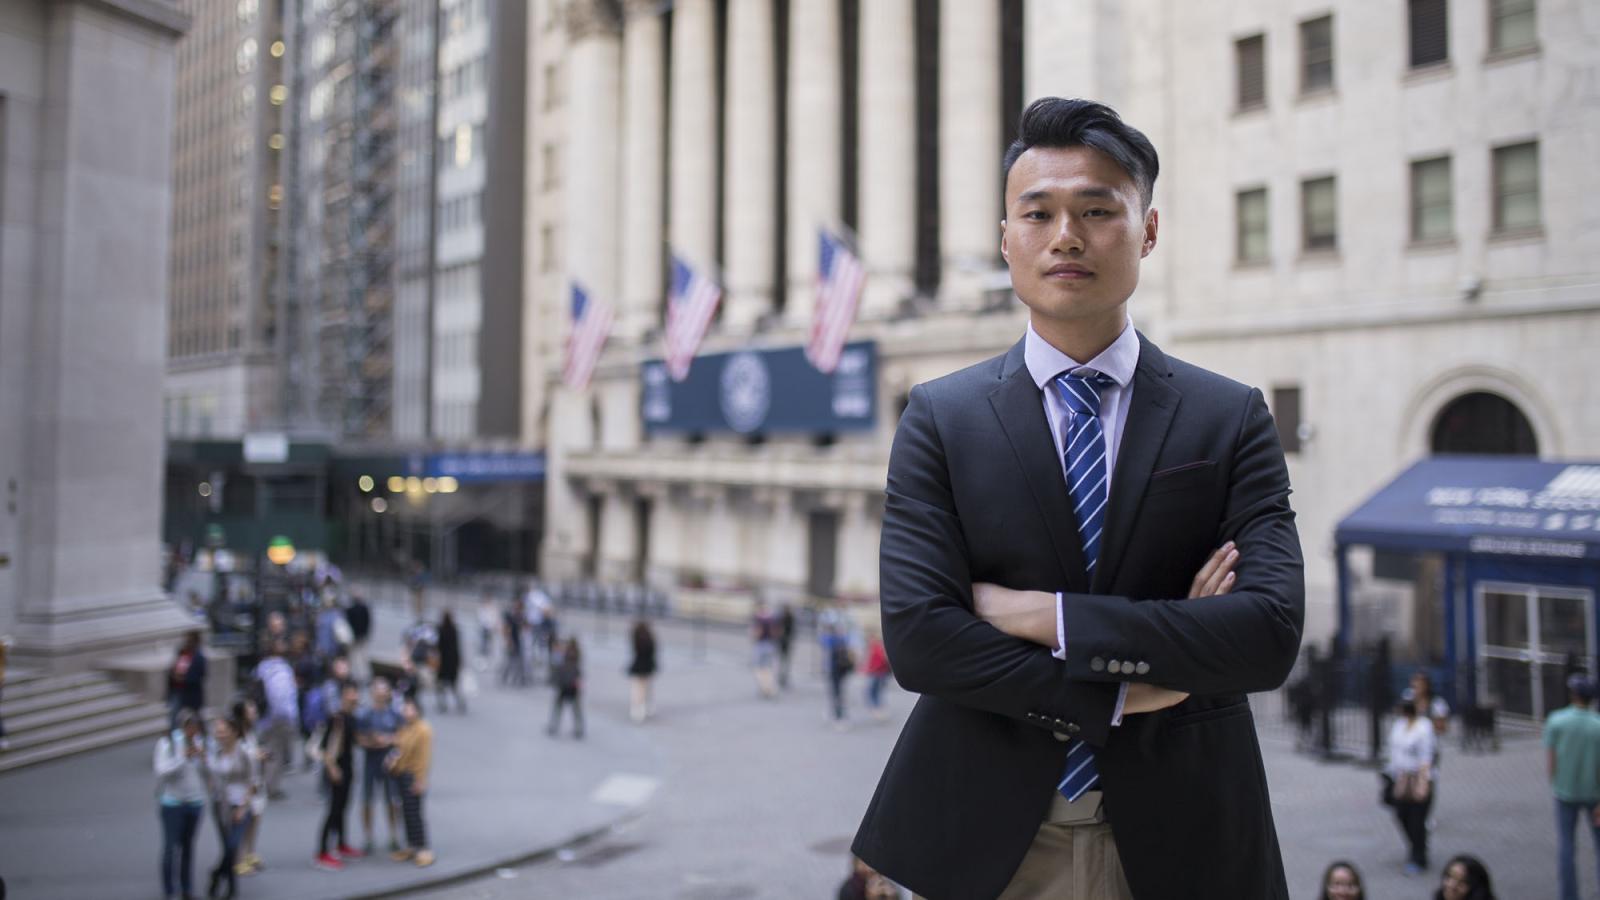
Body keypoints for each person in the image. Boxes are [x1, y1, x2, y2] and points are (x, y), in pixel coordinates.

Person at [852, 97, 1304, 900]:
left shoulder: (1228, 416)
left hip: (1187, 835)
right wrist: (1135, 685)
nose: (1067, 235)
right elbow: (923, 639)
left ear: (1148, 231)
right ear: (1006, 239)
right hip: (988, 840)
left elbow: (1266, 634)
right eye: (1039, 213)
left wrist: (1041, 618)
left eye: (1098, 210)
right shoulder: (941, 417)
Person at [1544, 673, 1600, 900]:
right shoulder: (1597, 725)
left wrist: (1555, 783)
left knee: (1566, 847)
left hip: (1565, 792)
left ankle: (1569, 895)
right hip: (1595, 795)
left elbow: (1551, 760)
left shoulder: (1556, 720)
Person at [156, 709, 209, 900]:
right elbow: (162, 771)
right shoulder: (168, 743)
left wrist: (204, 758)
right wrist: (182, 758)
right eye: (189, 726)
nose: (193, 731)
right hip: (173, 803)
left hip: (195, 802)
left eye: (196, 727)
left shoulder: (201, 742)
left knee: (188, 847)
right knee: (171, 847)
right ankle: (170, 890)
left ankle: (187, 889)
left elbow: (207, 773)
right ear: (182, 727)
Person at [312, 682, 364, 871]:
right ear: (343, 696)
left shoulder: (351, 717)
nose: (354, 696)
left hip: (348, 768)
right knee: (333, 810)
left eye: (355, 693)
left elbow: (357, 741)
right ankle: (322, 851)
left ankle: (341, 844)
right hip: (337, 770)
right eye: (350, 693)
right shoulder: (337, 718)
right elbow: (326, 748)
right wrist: (332, 769)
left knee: (343, 808)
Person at [206, 714, 256, 900]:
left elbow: (252, 782)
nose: (220, 735)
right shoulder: (216, 753)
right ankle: (231, 888)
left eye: (223, 731)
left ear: (234, 732)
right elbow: (212, 778)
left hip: (240, 804)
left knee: (233, 846)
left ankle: (217, 874)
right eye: (217, 732)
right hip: (221, 805)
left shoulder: (243, 752)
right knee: (227, 847)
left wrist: (243, 807)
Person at [1386, 699, 1436, 875]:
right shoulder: (1399, 725)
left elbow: (1426, 756)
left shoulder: (1423, 727)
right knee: (1401, 815)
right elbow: (1394, 751)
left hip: (1418, 779)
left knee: (1416, 819)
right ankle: (1417, 844)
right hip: (1400, 778)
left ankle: (1418, 855)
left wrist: (1423, 783)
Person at [356, 678, 405, 855]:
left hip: (389, 762)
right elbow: (359, 738)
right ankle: (368, 837)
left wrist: (387, 740)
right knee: (367, 800)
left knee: (392, 800)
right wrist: (373, 741)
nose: (381, 694)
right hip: (371, 761)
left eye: (384, 690)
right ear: (372, 693)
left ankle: (394, 836)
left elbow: (402, 736)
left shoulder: (394, 714)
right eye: (378, 690)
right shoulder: (365, 714)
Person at [386, 696, 435, 867]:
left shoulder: (423, 729)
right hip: (401, 774)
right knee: (406, 813)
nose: (406, 712)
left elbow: (424, 758)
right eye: (404, 709)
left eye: (409, 709)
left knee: (415, 815)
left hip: (413, 776)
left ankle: (423, 849)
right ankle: (412, 846)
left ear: (417, 710)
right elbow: (398, 748)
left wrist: (420, 780)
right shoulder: (405, 727)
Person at [254, 640, 299, 799]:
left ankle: (261, 781)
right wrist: (290, 719)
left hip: (264, 717)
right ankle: (271, 786)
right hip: (279, 718)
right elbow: (283, 697)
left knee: (264, 749)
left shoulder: (261, 668)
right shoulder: (283, 670)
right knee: (275, 752)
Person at [232, 700, 267, 878]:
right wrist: (256, 756)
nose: (254, 714)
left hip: (256, 781)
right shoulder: (237, 735)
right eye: (250, 711)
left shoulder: (251, 731)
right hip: (244, 784)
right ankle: (239, 859)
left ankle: (249, 854)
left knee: (255, 819)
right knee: (244, 822)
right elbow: (240, 755)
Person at [167, 631, 208, 729]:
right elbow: (173, 668)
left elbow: (201, 676)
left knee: (195, 719)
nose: (187, 642)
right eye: (186, 640)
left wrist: (183, 679)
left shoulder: (199, 658)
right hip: (177, 692)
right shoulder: (181, 654)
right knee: (174, 718)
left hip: (191, 695)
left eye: (190, 640)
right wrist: (173, 675)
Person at [548, 636, 584, 739]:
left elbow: (556, 669)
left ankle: (555, 726)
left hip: (567, 685)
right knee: (570, 708)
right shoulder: (569, 656)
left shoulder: (566, 656)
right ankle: (577, 728)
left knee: (565, 707)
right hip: (567, 685)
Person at [822, 621, 855, 726]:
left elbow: (823, 641)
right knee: (839, 692)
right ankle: (839, 714)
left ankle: (839, 715)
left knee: (836, 693)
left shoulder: (833, 640)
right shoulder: (844, 639)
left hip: (836, 670)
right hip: (841, 670)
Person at [628, 619, 658, 723]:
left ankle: (637, 710)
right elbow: (653, 651)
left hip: (638, 666)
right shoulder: (650, 639)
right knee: (646, 688)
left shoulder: (636, 637)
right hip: (647, 667)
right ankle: (644, 707)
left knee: (637, 689)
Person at [435, 610, 465, 713]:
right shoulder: (454, 629)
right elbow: (457, 647)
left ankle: (442, 704)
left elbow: (438, 646)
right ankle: (460, 704)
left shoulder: (440, 629)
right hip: (453, 662)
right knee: (454, 686)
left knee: (440, 685)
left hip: (443, 662)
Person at [750, 600, 780, 699]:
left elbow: (757, 632)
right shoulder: (772, 618)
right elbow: (775, 633)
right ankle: (770, 688)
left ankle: (764, 688)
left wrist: (754, 637)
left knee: (759, 668)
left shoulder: (759, 619)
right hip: (770, 645)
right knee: (768, 668)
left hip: (761, 645)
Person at [862, 629, 893, 721]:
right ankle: (878, 709)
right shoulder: (874, 646)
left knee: (874, 692)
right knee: (874, 692)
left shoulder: (877, 646)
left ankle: (879, 710)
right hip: (875, 673)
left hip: (878, 673)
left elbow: (883, 659)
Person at [345, 593, 372, 684]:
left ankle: (361, 675)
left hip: (357, 636)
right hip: (359, 636)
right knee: (359, 656)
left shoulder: (351, 609)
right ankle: (360, 675)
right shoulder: (363, 608)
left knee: (357, 656)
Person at [476, 591, 499, 671]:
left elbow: (495, 618)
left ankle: (490, 662)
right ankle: (482, 663)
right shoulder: (482, 608)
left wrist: (494, 626)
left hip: (490, 629)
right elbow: (481, 618)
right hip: (485, 628)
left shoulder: (492, 608)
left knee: (490, 646)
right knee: (483, 646)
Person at [776, 603, 796, 690]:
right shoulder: (788, 618)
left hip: (784, 643)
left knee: (783, 661)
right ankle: (783, 677)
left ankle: (783, 677)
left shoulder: (786, 618)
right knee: (784, 661)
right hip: (785, 643)